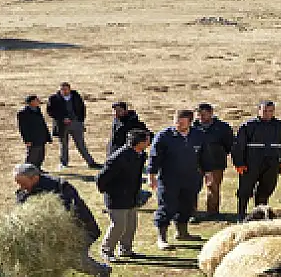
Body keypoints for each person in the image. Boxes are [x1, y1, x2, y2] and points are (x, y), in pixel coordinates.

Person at [13, 164, 110, 277]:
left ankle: (102, 271)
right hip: (48, 235)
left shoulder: (60, 187)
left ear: (34, 178)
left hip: (80, 229)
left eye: (22, 182)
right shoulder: (24, 192)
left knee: (74, 260)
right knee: (34, 254)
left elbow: (69, 211)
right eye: (18, 183)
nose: (20, 186)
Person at [148, 109, 206, 250]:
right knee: (167, 207)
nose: (178, 125)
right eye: (176, 122)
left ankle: (182, 233)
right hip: (169, 179)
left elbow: (204, 155)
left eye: (181, 123)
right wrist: (152, 176)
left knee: (187, 206)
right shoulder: (164, 136)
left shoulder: (198, 135)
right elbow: (154, 157)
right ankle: (162, 238)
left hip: (191, 178)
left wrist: (207, 171)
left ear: (190, 122)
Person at [232, 100, 281, 220]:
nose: (267, 113)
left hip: (271, 162)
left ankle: (260, 217)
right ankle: (241, 216)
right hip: (251, 163)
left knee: (265, 190)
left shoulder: (279, 125)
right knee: (245, 190)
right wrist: (239, 163)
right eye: (265, 111)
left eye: (270, 111)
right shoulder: (248, 126)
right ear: (259, 111)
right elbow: (238, 146)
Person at [97, 129, 151, 260]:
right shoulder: (119, 157)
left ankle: (125, 249)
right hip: (116, 198)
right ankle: (107, 250)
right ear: (139, 142)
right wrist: (110, 193)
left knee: (131, 225)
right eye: (147, 139)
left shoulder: (140, 154)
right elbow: (102, 178)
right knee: (118, 225)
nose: (149, 142)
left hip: (131, 196)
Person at [192, 103, 234, 219]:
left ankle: (212, 213)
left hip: (216, 162)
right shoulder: (191, 128)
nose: (201, 118)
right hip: (194, 164)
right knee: (192, 188)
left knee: (213, 188)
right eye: (199, 115)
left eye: (204, 115)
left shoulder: (222, 127)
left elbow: (229, 144)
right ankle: (191, 212)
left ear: (211, 113)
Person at [46, 81, 101, 169]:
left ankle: (91, 162)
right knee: (63, 145)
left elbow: (82, 108)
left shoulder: (76, 96)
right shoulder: (54, 98)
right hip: (62, 125)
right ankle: (64, 163)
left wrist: (80, 121)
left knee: (81, 144)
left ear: (69, 89)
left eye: (66, 89)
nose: (64, 91)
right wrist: (62, 118)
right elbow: (50, 111)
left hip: (76, 124)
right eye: (62, 90)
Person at [17, 94, 52, 168]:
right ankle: (27, 172)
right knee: (32, 156)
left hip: (41, 137)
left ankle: (38, 170)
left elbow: (43, 124)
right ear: (31, 102)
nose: (39, 101)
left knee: (40, 155)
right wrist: (27, 140)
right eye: (37, 100)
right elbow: (23, 128)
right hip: (32, 138)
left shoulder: (38, 110)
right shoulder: (23, 113)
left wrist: (47, 136)